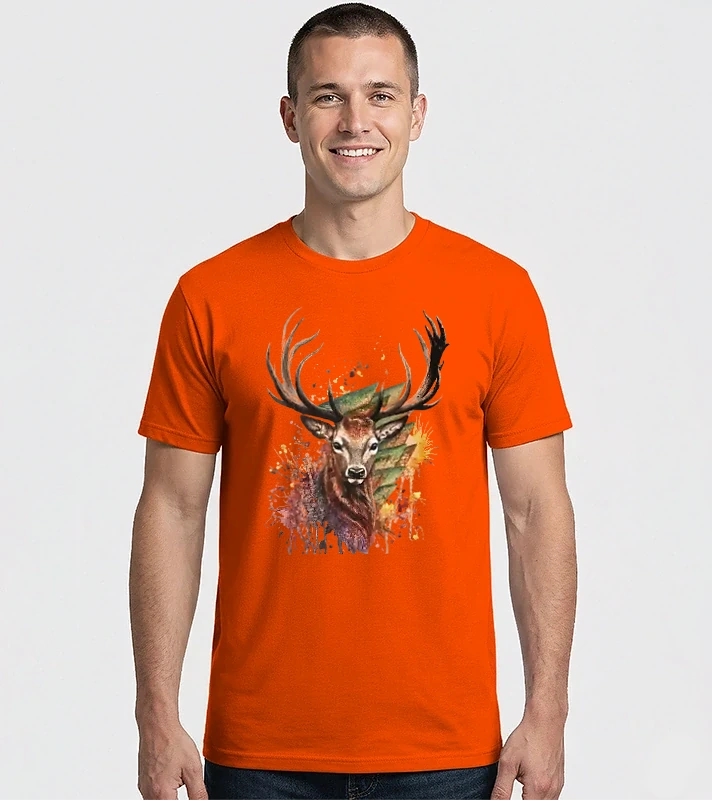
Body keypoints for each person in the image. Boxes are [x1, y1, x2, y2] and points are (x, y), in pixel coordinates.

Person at [130, 3, 577, 799]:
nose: (355, 121)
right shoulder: (210, 297)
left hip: (446, 751)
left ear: (418, 114)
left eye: (380, 94)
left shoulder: (497, 294)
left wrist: (548, 712)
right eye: (328, 96)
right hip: (260, 750)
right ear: (290, 117)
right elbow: (172, 508)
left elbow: (536, 511)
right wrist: (155, 715)